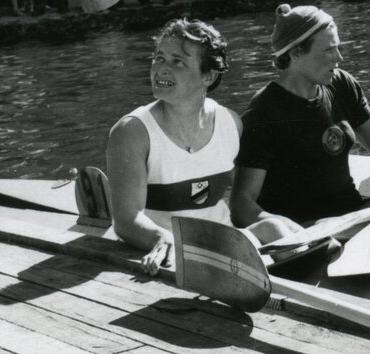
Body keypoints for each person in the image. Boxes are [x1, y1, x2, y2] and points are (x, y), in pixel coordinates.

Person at [230, 4, 370, 230]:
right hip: (307, 229)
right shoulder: (263, 113)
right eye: (329, 50)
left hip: (351, 212)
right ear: (295, 53)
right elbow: (241, 206)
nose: (339, 58)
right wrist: (285, 230)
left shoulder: (342, 85)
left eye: (338, 48)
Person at [107, 18, 286, 273]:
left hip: (225, 247)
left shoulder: (231, 123)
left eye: (177, 61)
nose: (162, 69)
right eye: (159, 58)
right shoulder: (131, 132)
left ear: (209, 75)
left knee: (276, 227)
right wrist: (160, 238)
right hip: (171, 255)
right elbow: (126, 220)